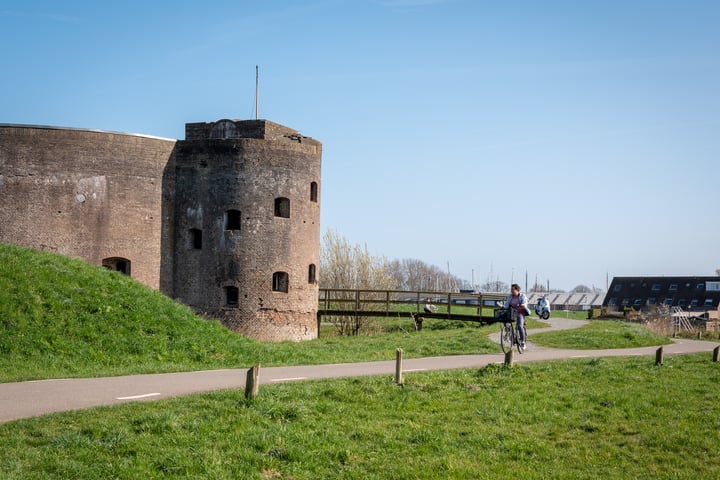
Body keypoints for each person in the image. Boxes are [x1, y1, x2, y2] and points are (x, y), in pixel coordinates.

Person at [504, 283, 529, 348]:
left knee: (520, 326)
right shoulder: (510, 296)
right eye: (511, 290)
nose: (511, 291)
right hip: (512, 313)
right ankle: (508, 334)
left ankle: (523, 342)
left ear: (517, 290)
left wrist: (523, 305)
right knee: (506, 322)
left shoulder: (522, 296)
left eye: (513, 290)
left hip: (520, 312)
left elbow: (525, 303)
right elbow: (506, 304)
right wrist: (503, 306)